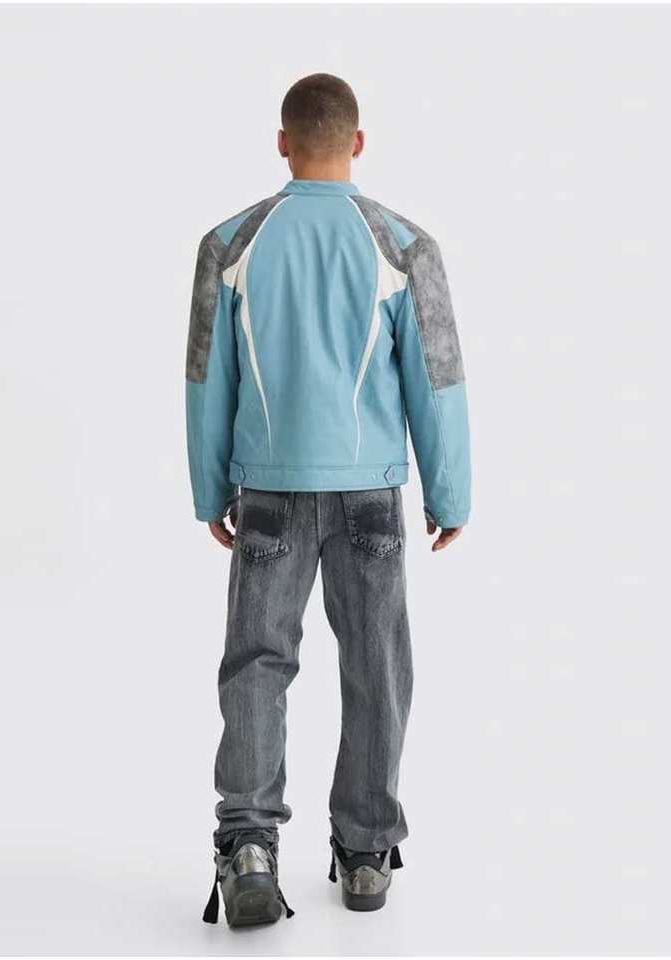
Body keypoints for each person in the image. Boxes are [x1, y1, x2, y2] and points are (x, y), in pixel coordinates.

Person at [186, 73, 471, 927]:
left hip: (268, 491)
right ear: (358, 142)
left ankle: (247, 845)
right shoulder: (405, 246)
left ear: (283, 143)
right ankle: (367, 854)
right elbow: (438, 378)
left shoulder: (228, 245)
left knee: (256, 665)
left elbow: (206, 379)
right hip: (371, 496)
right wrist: (449, 490)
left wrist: (209, 489)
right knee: (376, 667)